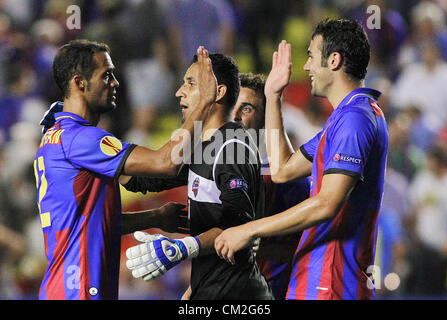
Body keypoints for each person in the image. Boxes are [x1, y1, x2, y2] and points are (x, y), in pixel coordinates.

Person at [215, 18, 389, 300]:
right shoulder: (344, 119)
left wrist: (250, 230)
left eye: (310, 56)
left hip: (333, 280)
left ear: (333, 60)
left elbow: (326, 204)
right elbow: (283, 169)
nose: (306, 66)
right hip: (315, 276)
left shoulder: (356, 119)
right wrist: (272, 97)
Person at [34, 39, 217, 300]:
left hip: (65, 286)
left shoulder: (56, 137)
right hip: (80, 288)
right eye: (106, 75)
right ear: (79, 82)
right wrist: (204, 103)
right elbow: (165, 162)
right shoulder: (80, 139)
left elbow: (91, 223)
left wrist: (155, 217)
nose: (115, 82)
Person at [124, 54, 273, 300]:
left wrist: (184, 248)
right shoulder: (203, 147)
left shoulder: (233, 147)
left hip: (238, 296)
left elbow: (239, 227)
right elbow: (145, 180)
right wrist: (100, 152)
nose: (179, 92)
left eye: (191, 83)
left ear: (218, 92)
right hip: (210, 292)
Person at [232, 72, 310, 300]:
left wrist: (259, 246)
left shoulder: (283, 177)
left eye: (246, 109)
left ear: (265, 120)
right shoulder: (210, 173)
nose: (235, 115)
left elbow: (314, 246)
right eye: (231, 106)